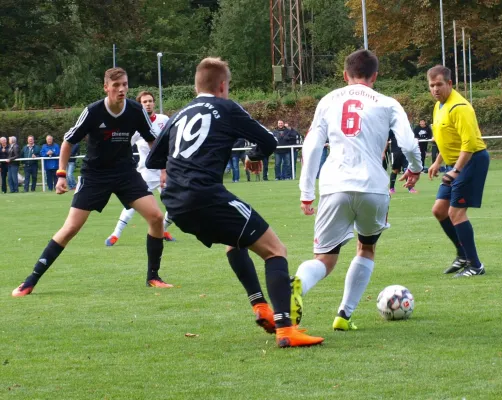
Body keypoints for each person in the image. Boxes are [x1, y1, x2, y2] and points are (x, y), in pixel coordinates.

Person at [146, 57, 323, 347]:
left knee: (236, 241)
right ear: (223, 86)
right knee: (275, 250)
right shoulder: (226, 107)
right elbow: (268, 141)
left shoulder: (179, 114)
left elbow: (154, 158)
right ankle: (285, 328)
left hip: (176, 204)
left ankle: (260, 306)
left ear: (196, 85)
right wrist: (252, 157)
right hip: (206, 195)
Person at [12, 67, 173, 298]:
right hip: (95, 175)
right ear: (106, 87)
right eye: (116, 86)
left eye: (125, 85)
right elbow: (68, 142)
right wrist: (60, 175)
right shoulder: (93, 112)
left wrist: (164, 170)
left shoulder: (136, 111)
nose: (121, 90)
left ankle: (153, 277)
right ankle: (29, 282)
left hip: (125, 173)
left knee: (156, 217)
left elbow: (152, 141)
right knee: (71, 228)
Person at [291, 49, 422, 331]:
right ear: (375, 75)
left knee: (324, 259)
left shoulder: (328, 100)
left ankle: (299, 283)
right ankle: (343, 315)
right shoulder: (387, 103)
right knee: (366, 248)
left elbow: (312, 146)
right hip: (373, 187)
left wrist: (306, 191)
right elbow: (409, 144)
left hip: (334, 185)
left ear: (344, 75)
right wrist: (415, 168)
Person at [427, 65, 490, 277]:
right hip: (455, 163)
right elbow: (448, 139)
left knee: (456, 212)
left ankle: (475, 265)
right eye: (432, 85)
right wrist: (437, 162)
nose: (435, 89)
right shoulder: (439, 106)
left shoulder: (460, 107)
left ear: (450, 84)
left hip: (471, 161)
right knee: (439, 210)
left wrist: (455, 170)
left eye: (439, 84)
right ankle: (462, 255)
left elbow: (469, 144)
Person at [105, 90, 176, 246]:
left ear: (154, 102)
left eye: (150, 101)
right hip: (146, 173)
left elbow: (172, 141)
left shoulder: (164, 120)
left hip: (165, 172)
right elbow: (124, 145)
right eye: (144, 102)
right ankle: (115, 234)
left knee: (175, 205)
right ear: (140, 104)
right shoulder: (136, 124)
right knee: (132, 205)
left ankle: (162, 230)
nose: (148, 104)